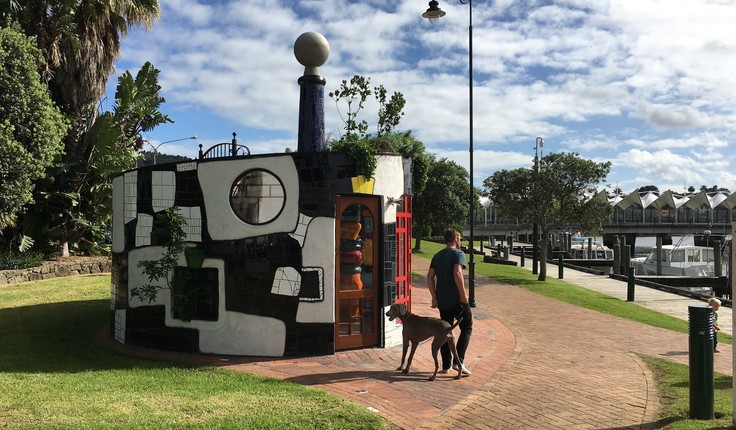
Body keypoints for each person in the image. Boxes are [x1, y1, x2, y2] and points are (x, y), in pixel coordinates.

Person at [427, 228, 473, 376]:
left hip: (443, 301)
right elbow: (457, 273)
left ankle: (446, 365)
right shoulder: (458, 254)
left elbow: (429, 277)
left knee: (445, 331)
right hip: (457, 300)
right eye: (459, 238)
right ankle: (458, 361)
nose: (460, 241)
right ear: (455, 239)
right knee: (467, 327)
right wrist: (463, 294)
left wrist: (434, 297)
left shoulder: (437, 255)